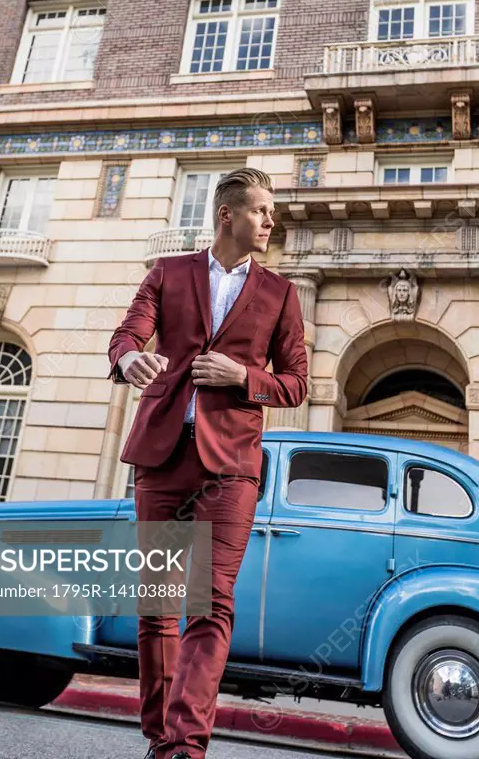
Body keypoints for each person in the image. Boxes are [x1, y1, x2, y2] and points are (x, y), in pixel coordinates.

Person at [106, 167, 308, 759]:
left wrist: (243, 377)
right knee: (159, 606)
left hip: (231, 468)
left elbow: (296, 383)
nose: (271, 220)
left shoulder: (279, 293)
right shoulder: (168, 273)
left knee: (211, 603)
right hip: (163, 459)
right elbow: (128, 333)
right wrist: (128, 360)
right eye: (262, 210)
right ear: (228, 215)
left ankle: (184, 748)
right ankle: (159, 735)